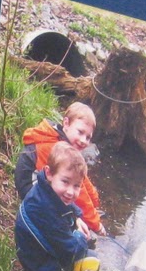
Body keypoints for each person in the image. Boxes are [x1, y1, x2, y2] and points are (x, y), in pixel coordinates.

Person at [15, 143, 97, 271]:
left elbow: (67, 206)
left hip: (34, 254)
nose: (70, 191)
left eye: (76, 186)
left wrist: (77, 216)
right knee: (93, 259)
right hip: (40, 266)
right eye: (65, 182)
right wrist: (80, 237)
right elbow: (71, 252)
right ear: (49, 173)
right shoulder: (46, 209)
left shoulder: (43, 189)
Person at [13, 101, 105, 239]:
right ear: (66, 124)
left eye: (88, 137)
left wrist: (95, 200)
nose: (83, 140)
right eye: (80, 132)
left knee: (69, 188)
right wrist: (96, 224)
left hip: (43, 183)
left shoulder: (65, 143)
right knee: (66, 213)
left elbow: (80, 178)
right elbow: (80, 195)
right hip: (30, 189)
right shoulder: (54, 147)